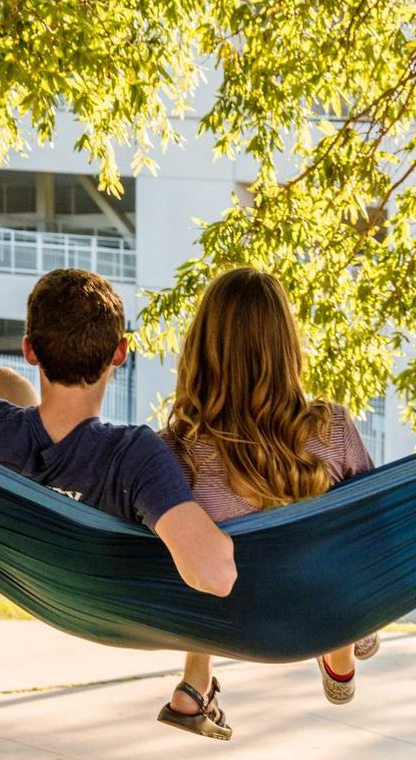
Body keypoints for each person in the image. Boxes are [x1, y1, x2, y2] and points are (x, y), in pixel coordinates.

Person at [0, 268, 239, 738]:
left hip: (23, 543)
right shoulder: (134, 457)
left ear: (30, 349)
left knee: (2, 386)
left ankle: (38, 434)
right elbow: (216, 575)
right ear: (120, 354)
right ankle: (196, 682)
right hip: (106, 600)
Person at [157, 267, 378, 739]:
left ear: (201, 347)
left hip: (224, 617)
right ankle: (343, 635)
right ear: (286, 348)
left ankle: (196, 679)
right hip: (311, 608)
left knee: (194, 538)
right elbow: (376, 518)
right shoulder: (332, 428)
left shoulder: (173, 451)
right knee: (352, 517)